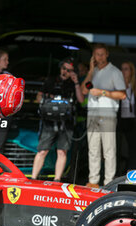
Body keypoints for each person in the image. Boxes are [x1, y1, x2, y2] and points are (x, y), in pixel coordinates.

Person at [31, 57, 84, 182]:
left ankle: (57, 180)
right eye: (64, 68)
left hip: (66, 123)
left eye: (69, 70)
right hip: (49, 121)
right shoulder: (50, 81)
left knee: (62, 152)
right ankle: (32, 178)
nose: (65, 72)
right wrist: (50, 100)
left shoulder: (74, 83)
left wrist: (76, 83)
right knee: (42, 150)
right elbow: (38, 97)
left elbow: (81, 100)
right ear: (61, 68)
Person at [81, 43, 126, 188]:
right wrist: (91, 71)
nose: (99, 57)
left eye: (101, 54)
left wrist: (102, 92)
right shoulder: (92, 72)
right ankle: (93, 181)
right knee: (93, 149)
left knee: (108, 150)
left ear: (107, 54)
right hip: (92, 113)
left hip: (107, 114)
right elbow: (83, 91)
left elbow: (122, 95)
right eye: (96, 54)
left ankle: (109, 182)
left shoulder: (114, 72)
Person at [117, 61, 136, 175]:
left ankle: (131, 172)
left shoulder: (134, 87)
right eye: (122, 69)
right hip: (119, 119)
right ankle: (117, 173)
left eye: (126, 69)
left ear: (131, 71)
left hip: (132, 120)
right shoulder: (117, 85)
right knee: (117, 148)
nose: (123, 71)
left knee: (132, 148)